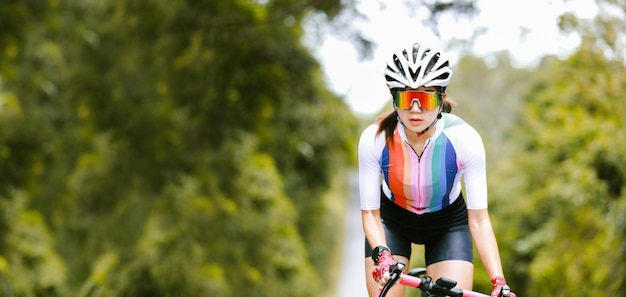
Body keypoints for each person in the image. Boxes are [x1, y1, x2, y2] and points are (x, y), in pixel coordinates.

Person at [358, 40, 516, 297]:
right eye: (407, 98)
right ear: (394, 99)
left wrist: (498, 281)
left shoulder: (465, 139)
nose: (415, 109)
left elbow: (479, 219)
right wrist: (382, 254)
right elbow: (370, 214)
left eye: (425, 98)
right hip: (392, 222)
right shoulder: (374, 139)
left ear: (441, 98)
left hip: (447, 225)